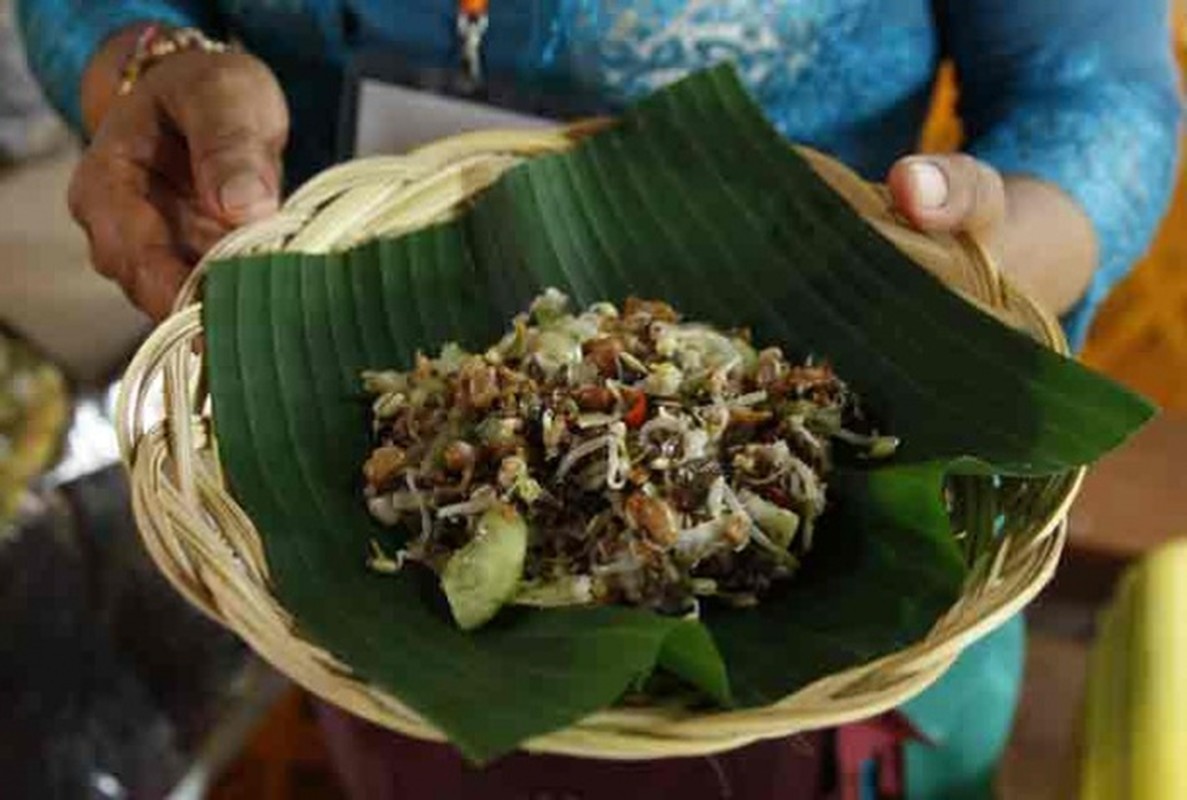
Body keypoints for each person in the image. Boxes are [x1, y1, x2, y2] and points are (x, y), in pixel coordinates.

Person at [17, 1, 1180, 797]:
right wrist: (148, 58)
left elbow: (1101, 96)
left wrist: (983, 253)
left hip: (830, 556)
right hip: (362, 494)